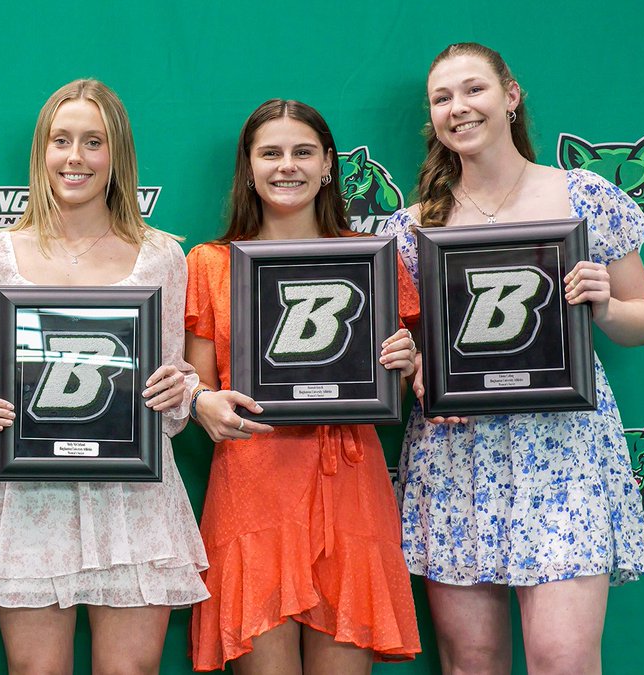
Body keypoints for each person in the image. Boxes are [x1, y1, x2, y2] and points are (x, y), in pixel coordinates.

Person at [383, 42, 644, 675]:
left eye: (473, 89)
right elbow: (397, 349)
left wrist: (605, 307)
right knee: (471, 661)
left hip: (564, 452)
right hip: (456, 455)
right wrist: (414, 366)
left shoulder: (584, 197)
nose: (459, 107)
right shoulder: (412, 226)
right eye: (443, 98)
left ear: (511, 96)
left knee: (562, 658)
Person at [0, 78, 205, 674]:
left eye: (93, 142)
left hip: (130, 495)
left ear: (116, 154)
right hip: (28, 495)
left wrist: (178, 391)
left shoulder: (160, 255)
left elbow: (170, 398)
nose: (76, 158)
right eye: (61, 141)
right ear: (41, 152)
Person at [184, 99, 422, 674]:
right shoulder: (211, 263)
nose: (286, 166)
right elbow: (196, 379)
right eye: (270, 153)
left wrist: (408, 359)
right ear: (248, 167)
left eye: (302, 152)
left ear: (328, 165)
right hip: (254, 484)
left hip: (349, 485)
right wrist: (199, 402)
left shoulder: (373, 261)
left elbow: (416, 372)